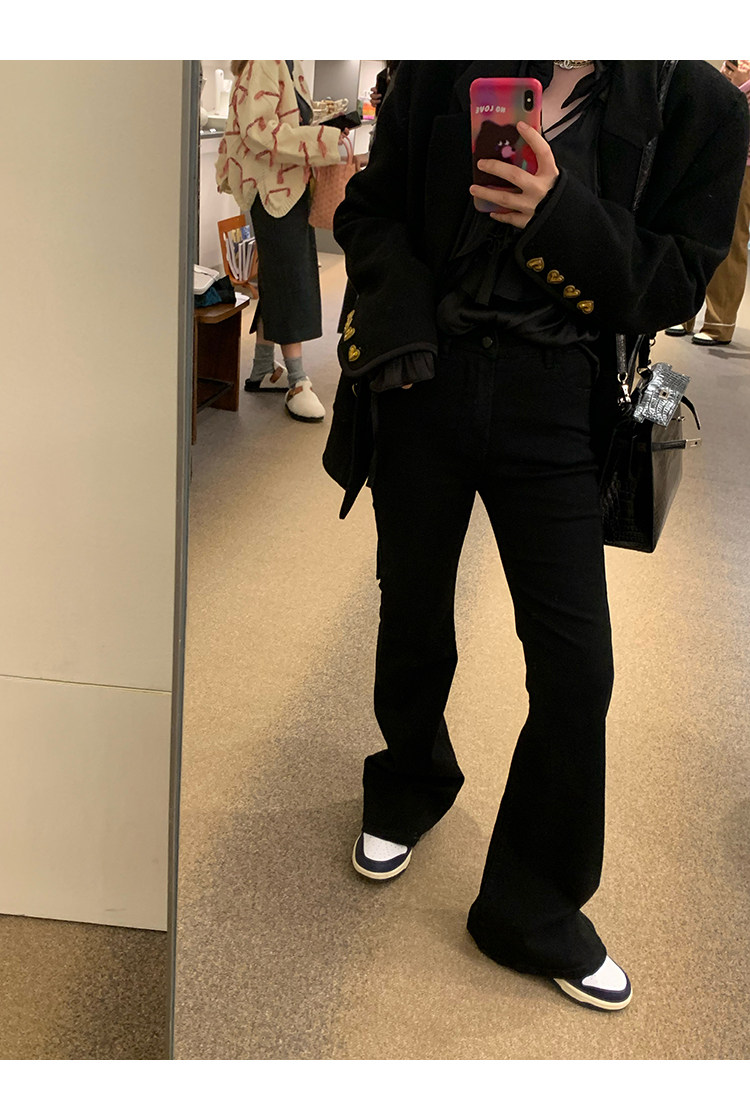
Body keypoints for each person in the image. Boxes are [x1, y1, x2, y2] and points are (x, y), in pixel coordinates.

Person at [323, 62, 749, 1011]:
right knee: (412, 607)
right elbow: (372, 210)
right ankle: (410, 778)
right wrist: (397, 327)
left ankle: (534, 903)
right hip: (424, 385)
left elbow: (675, 281)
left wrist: (559, 215)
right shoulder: (446, 62)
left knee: (575, 668)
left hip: (562, 407)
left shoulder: (698, 104)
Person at [216, 60, 349, 422]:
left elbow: (286, 121)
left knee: (280, 274)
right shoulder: (266, 59)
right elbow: (258, 131)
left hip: (287, 185)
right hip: (272, 188)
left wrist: (322, 130)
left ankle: (262, 366)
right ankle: (297, 379)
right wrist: (323, 141)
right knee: (293, 277)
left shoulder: (287, 62)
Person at [666, 60, 750, 346]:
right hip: (706, 159)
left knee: (731, 241)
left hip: (742, 167)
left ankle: (719, 323)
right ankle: (681, 312)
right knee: (688, 230)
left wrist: (741, 84)